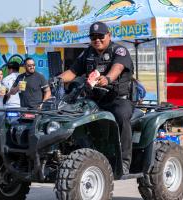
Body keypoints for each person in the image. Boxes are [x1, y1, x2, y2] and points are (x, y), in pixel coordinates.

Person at [58, 21, 134, 175]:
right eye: (93, 37)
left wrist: (108, 79)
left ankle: (125, 162)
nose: (97, 40)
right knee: (70, 113)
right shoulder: (88, 52)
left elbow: (117, 68)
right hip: (94, 100)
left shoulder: (119, 50)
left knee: (121, 117)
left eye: (100, 36)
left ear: (109, 36)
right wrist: (56, 79)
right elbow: (72, 72)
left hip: (117, 100)